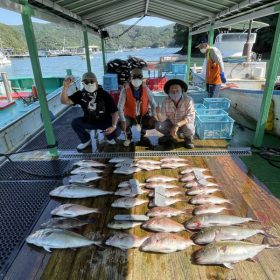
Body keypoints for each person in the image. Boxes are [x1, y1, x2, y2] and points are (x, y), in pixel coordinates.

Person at [61, 71, 121, 151]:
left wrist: (113, 126)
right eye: (86, 82)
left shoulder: (105, 94)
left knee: (117, 130)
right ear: (83, 83)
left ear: (96, 82)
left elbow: (115, 112)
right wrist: (65, 88)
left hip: (105, 122)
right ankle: (86, 140)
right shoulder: (80, 94)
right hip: (89, 121)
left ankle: (109, 137)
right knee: (75, 122)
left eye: (92, 81)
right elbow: (64, 101)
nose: (89, 84)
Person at [117, 68, 157, 146]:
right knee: (120, 124)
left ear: (142, 78)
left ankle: (143, 133)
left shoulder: (146, 89)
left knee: (153, 123)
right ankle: (128, 135)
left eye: (139, 77)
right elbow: (119, 107)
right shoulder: (125, 90)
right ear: (130, 78)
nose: (136, 79)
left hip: (143, 115)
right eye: (134, 77)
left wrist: (154, 116)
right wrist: (123, 120)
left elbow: (153, 104)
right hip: (129, 116)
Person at [155, 79, 195, 149]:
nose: (174, 92)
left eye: (177, 90)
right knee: (158, 125)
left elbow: (190, 117)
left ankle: (188, 138)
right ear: (168, 92)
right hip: (172, 123)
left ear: (182, 90)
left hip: (184, 124)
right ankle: (169, 135)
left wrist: (177, 125)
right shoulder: (165, 101)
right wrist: (158, 113)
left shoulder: (188, 100)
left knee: (190, 128)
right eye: (172, 91)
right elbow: (162, 119)